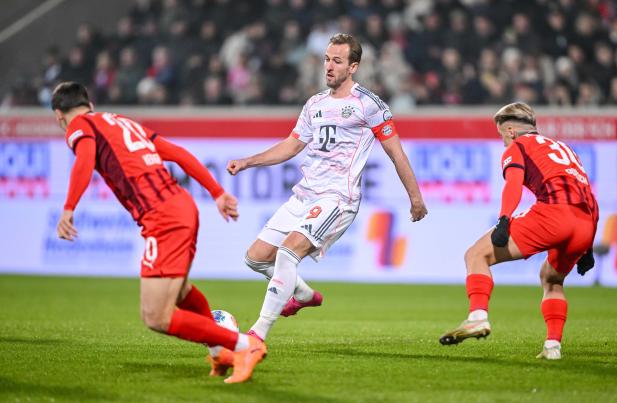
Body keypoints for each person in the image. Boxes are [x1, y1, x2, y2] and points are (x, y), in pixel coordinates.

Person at [51, 81, 265, 383]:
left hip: (163, 217)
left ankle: (246, 345)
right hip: (178, 207)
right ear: (90, 103)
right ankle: (220, 350)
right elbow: (177, 153)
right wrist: (216, 192)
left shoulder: (79, 125)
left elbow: (85, 159)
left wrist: (69, 207)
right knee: (179, 293)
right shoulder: (125, 124)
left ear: (59, 115)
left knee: (155, 316)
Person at [226, 34, 428, 342]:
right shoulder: (315, 104)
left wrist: (415, 198)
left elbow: (396, 152)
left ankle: (256, 336)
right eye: (326, 59)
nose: (329, 66)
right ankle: (303, 293)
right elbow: (292, 145)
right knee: (255, 257)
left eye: (337, 61)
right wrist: (248, 161)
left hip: (338, 198)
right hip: (304, 194)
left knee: (287, 252)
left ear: (353, 67)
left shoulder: (369, 105)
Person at [439, 102, 599, 360]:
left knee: (476, 255)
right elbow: (589, 194)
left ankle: (477, 317)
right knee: (552, 278)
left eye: (501, 134)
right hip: (584, 222)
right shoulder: (564, 149)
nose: (503, 141)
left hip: (553, 214)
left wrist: (504, 219)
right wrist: (589, 245)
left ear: (511, 130)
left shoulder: (518, 147)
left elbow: (513, 184)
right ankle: (552, 347)